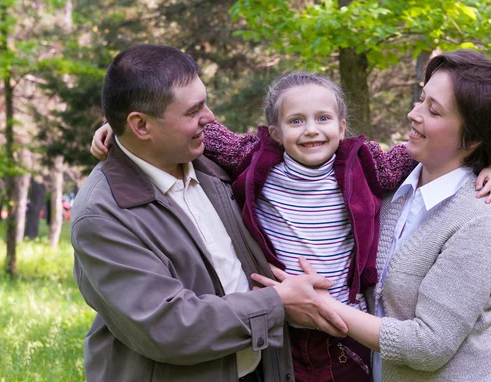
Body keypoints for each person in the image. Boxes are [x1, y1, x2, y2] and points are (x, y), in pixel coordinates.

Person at [91, 71, 491, 381]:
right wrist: (126, 132)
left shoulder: (365, 166)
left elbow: (433, 152)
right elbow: (190, 132)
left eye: (323, 118)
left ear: (342, 128)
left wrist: (489, 164)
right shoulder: (254, 159)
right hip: (280, 335)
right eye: (296, 121)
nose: (311, 130)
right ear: (274, 132)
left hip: (348, 335)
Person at [71, 44, 351, 382]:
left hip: (259, 369)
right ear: (141, 126)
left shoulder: (210, 162)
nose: (210, 118)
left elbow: (312, 150)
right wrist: (277, 302)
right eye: (193, 112)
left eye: (205, 102)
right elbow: (169, 327)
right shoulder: (103, 214)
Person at [255, 49, 491, 381]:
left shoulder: (479, 221)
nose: (413, 114)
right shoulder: (384, 190)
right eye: (420, 99)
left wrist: (317, 305)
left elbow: (428, 346)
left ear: (471, 137)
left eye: (433, 110)